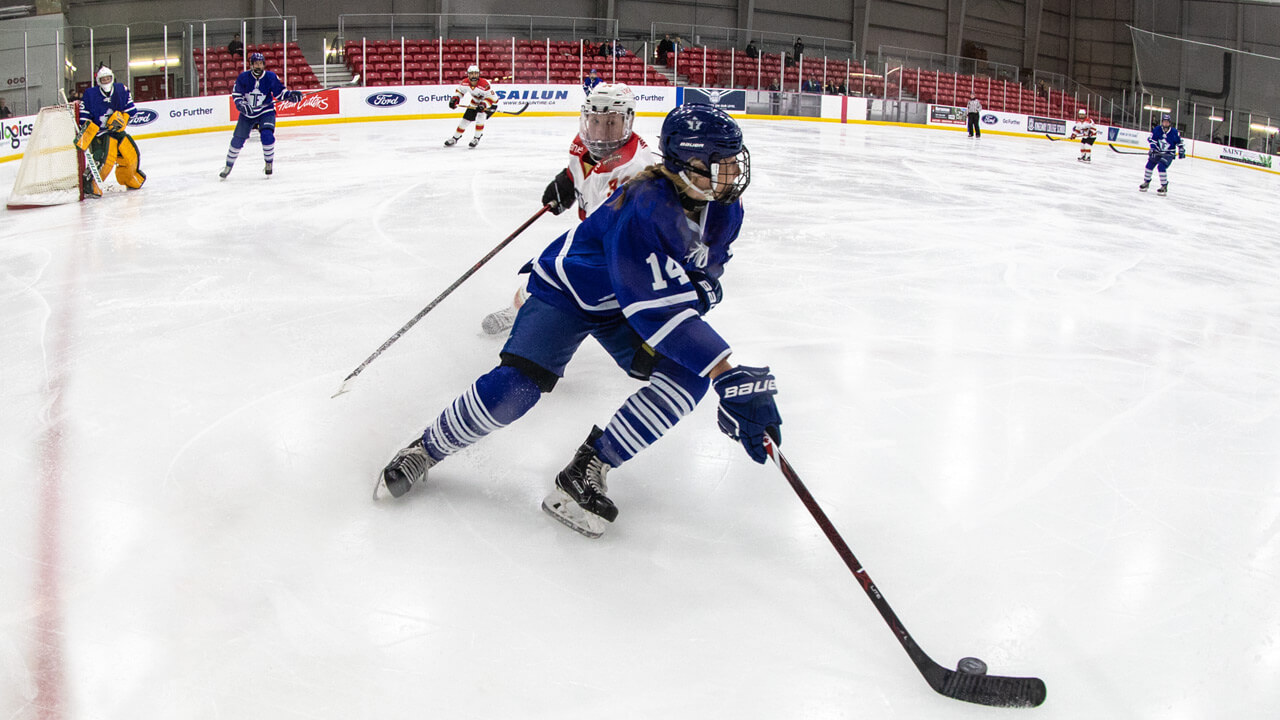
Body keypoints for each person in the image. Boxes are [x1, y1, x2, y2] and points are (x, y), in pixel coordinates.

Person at [375, 104, 781, 540]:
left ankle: (588, 467)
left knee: (687, 378)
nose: (733, 172)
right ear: (686, 164)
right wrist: (726, 373)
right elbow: (654, 308)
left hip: (623, 303)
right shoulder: (645, 207)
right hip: (570, 291)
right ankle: (426, 449)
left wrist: (705, 302)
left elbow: (702, 271)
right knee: (518, 387)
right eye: (722, 162)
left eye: (735, 159)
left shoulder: (725, 208)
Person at [481, 83, 653, 335]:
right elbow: (581, 173)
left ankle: (529, 310)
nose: (601, 131)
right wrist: (568, 181)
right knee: (561, 270)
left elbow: (614, 226)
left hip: (623, 246)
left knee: (555, 270)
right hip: (596, 231)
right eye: (595, 121)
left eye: (611, 123)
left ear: (628, 121)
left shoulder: (635, 168)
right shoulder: (580, 144)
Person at [218, 52, 301, 179]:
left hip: (266, 111)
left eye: (260, 63)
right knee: (237, 140)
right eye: (256, 63)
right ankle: (228, 166)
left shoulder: (270, 77)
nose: (258, 66)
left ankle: (268, 163)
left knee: (267, 135)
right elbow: (237, 95)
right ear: (251, 65)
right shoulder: (243, 77)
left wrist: (290, 96)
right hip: (247, 114)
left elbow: (280, 93)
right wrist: (241, 105)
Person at [76, 66, 146, 194]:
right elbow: (84, 118)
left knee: (131, 153)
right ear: (98, 81)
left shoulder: (121, 90)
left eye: (108, 78)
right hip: (100, 134)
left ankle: (129, 178)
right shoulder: (90, 95)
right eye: (103, 79)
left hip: (117, 131)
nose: (106, 81)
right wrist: (89, 132)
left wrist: (123, 121)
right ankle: (91, 183)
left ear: (112, 78)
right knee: (105, 158)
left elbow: (130, 111)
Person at [444, 64, 498, 148]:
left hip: (490, 104)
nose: (474, 75)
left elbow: (493, 98)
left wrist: (483, 105)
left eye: (476, 73)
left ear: (478, 74)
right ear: (468, 74)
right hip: (475, 102)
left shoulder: (484, 84)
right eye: (472, 73)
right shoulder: (465, 83)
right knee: (465, 120)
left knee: (480, 117)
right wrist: (455, 99)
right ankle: (455, 138)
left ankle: (476, 138)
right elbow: (460, 92)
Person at [1140, 113, 1185, 196]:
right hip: (1158, 152)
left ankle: (1164, 186)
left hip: (1168, 154)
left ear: (1170, 123)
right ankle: (1146, 182)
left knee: (1161, 166)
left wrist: (1181, 150)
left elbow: (1179, 142)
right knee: (1149, 165)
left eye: (1167, 122)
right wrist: (1153, 148)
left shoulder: (1174, 132)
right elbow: (1152, 140)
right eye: (1164, 122)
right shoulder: (1157, 129)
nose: (1165, 123)